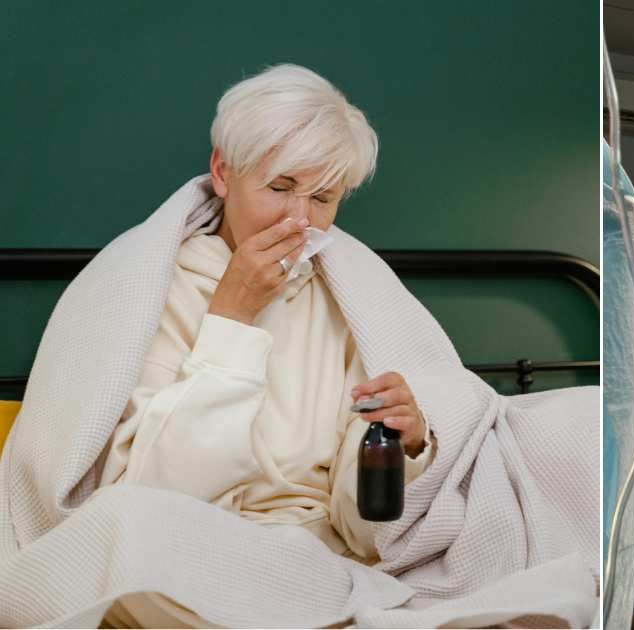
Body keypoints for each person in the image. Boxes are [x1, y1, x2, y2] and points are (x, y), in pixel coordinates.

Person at [97, 64, 434, 626]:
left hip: (319, 555)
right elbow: (155, 496)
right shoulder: (147, 288)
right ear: (223, 173)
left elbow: (365, 531)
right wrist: (233, 316)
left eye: (323, 198)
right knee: (132, 572)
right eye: (280, 188)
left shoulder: (352, 298)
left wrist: (405, 444)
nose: (299, 219)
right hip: (188, 549)